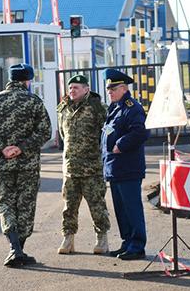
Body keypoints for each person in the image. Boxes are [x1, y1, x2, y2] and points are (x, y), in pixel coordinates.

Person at [0, 63, 52, 267]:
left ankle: (14, 248)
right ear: (26, 81)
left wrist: (2, 148)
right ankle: (18, 249)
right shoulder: (34, 101)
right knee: (25, 205)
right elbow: (45, 131)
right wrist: (22, 147)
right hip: (28, 163)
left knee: (6, 202)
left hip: (3, 164)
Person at [56, 74, 111, 255]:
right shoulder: (63, 108)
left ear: (86, 89)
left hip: (92, 168)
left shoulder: (97, 108)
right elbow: (65, 137)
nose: (72, 91)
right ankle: (68, 239)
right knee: (69, 207)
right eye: (70, 88)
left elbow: (107, 134)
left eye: (76, 88)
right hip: (70, 168)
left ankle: (102, 239)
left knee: (97, 206)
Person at [101, 69, 149, 261]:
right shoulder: (114, 107)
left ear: (123, 88)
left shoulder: (132, 107)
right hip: (115, 168)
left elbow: (140, 132)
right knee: (121, 210)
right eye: (108, 89)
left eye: (113, 88)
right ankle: (127, 242)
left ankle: (137, 245)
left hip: (128, 167)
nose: (109, 92)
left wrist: (121, 144)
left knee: (132, 208)